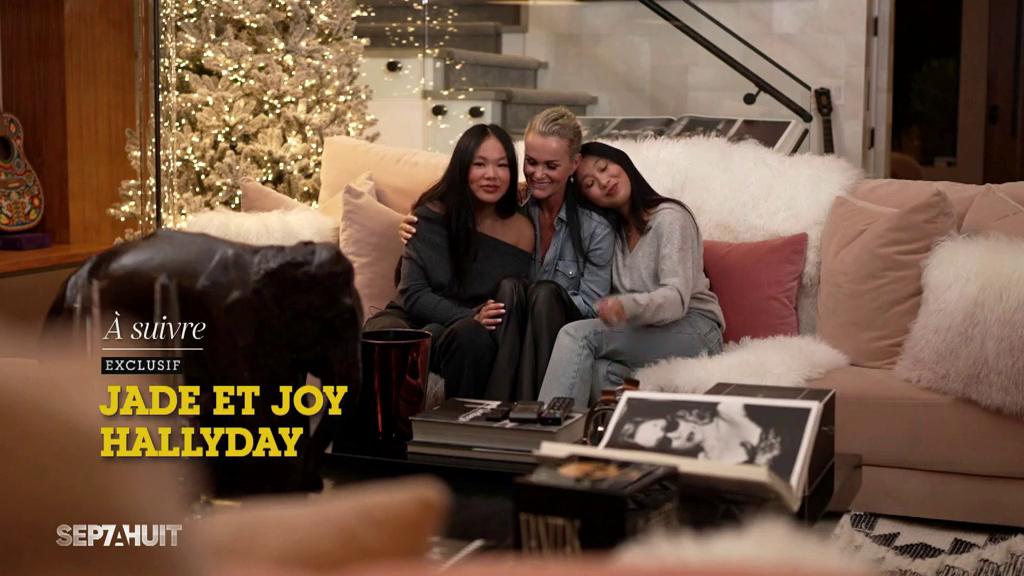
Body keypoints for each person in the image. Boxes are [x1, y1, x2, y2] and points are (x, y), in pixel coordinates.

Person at [399, 107, 615, 401]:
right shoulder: (512, 207)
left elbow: (591, 306)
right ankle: (501, 411)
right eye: (531, 162)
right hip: (509, 324)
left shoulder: (595, 227)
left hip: (559, 327)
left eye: (551, 166)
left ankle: (523, 409)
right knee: (511, 288)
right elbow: (460, 222)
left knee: (543, 294)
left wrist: (534, 303)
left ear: (574, 163)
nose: (538, 174)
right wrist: (410, 229)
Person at [537, 141, 725, 408]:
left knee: (577, 336)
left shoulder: (670, 217)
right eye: (590, 184)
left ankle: (547, 428)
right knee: (599, 373)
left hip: (696, 329)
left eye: (604, 168)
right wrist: (531, 197)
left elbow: (676, 300)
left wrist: (628, 307)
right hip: (649, 332)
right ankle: (611, 434)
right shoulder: (612, 236)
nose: (604, 182)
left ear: (622, 162)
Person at [364, 124, 534, 398]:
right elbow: (413, 294)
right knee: (387, 334)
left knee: (471, 337)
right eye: (479, 164)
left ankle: (461, 424)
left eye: (502, 165)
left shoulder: (522, 230)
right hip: (411, 319)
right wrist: (467, 315)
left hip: (463, 331)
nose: (491, 175)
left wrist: (470, 319)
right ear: (462, 167)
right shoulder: (430, 214)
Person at [610, 400, 781, 465]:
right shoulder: (704, 464)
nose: (676, 436)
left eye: (670, 427)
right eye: (664, 442)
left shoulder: (730, 410)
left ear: (677, 416)